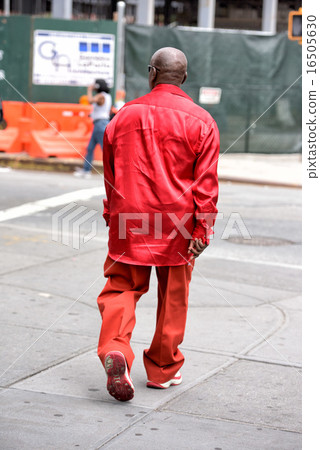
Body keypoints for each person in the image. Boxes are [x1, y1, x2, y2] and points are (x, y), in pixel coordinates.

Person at [97, 47, 220, 402]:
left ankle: (115, 347)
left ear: (152, 73)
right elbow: (206, 184)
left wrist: (112, 213)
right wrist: (202, 229)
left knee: (121, 287)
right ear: (184, 77)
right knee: (174, 297)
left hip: (128, 221)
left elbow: (110, 174)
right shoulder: (202, 121)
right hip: (179, 226)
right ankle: (163, 369)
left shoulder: (122, 116)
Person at [74, 79, 111, 178]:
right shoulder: (106, 96)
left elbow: (90, 100)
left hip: (100, 124)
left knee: (105, 150)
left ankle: (112, 172)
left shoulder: (101, 95)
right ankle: (86, 170)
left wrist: (89, 90)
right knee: (90, 148)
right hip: (99, 124)